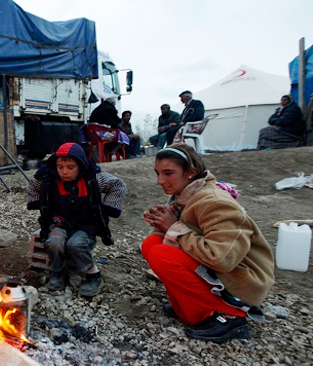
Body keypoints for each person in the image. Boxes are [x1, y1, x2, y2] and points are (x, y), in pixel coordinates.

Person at [141, 143, 274, 343]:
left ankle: (231, 314)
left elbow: (221, 258)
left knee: (161, 254)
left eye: (168, 173)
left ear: (191, 172)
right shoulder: (187, 195)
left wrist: (174, 228)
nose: (160, 181)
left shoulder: (213, 201)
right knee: (152, 244)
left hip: (242, 279)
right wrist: (163, 224)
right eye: (157, 173)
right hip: (219, 271)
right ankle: (191, 308)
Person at [26, 143, 127, 297]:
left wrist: (108, 208)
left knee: (75, 244)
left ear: (80, 165)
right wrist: (36, 202)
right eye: (60, 167)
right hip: (60, 222)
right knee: (53, 242)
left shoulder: (93, 178)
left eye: (70, 167)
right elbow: (33, 185)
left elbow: (118, 185)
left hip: (85, 225)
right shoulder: (49, 179)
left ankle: (93, 274)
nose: (64, 172)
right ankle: (57, 271)